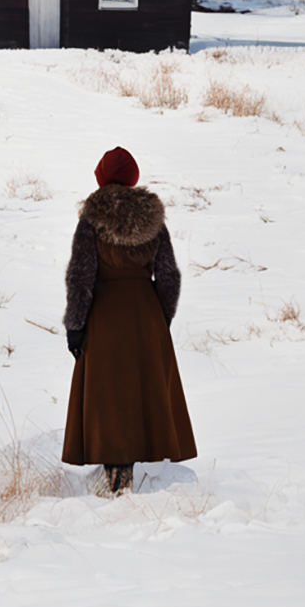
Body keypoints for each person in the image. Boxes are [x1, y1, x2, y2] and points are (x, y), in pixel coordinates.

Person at [62, 146, 196, 496]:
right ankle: (136, 475)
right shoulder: (153, 219)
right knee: (143, 391)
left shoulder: (91, 219)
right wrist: (158, 320)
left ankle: (117, 479)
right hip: (146, 313)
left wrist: (75, 325)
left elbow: (80, 277)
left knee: (109, 394)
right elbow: (169, 277)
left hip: (105, 316)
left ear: (100, 178)